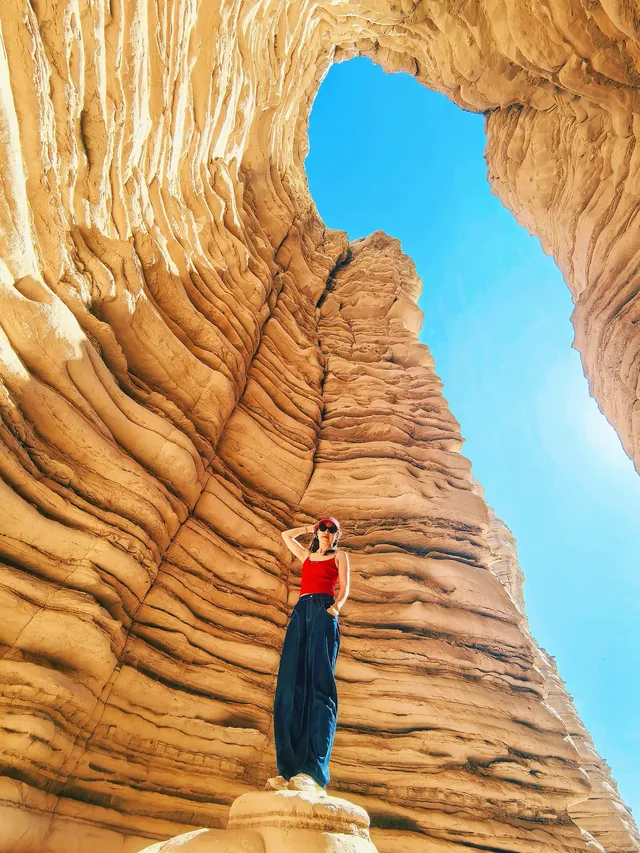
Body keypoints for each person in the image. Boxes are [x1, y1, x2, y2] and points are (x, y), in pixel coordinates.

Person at [265, 516, 351, 795]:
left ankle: (313, 771)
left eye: (331, 530)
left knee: (319, 688)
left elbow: (346, 586)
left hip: (323, 611)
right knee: (290, 687)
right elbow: (284, 536)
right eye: (323, 528)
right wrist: (308, 529)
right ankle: (286, 770)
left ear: (337, 536)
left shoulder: (340, 556)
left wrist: (335, 609)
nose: (326, 532)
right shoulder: (307, 556)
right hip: (301, 612)